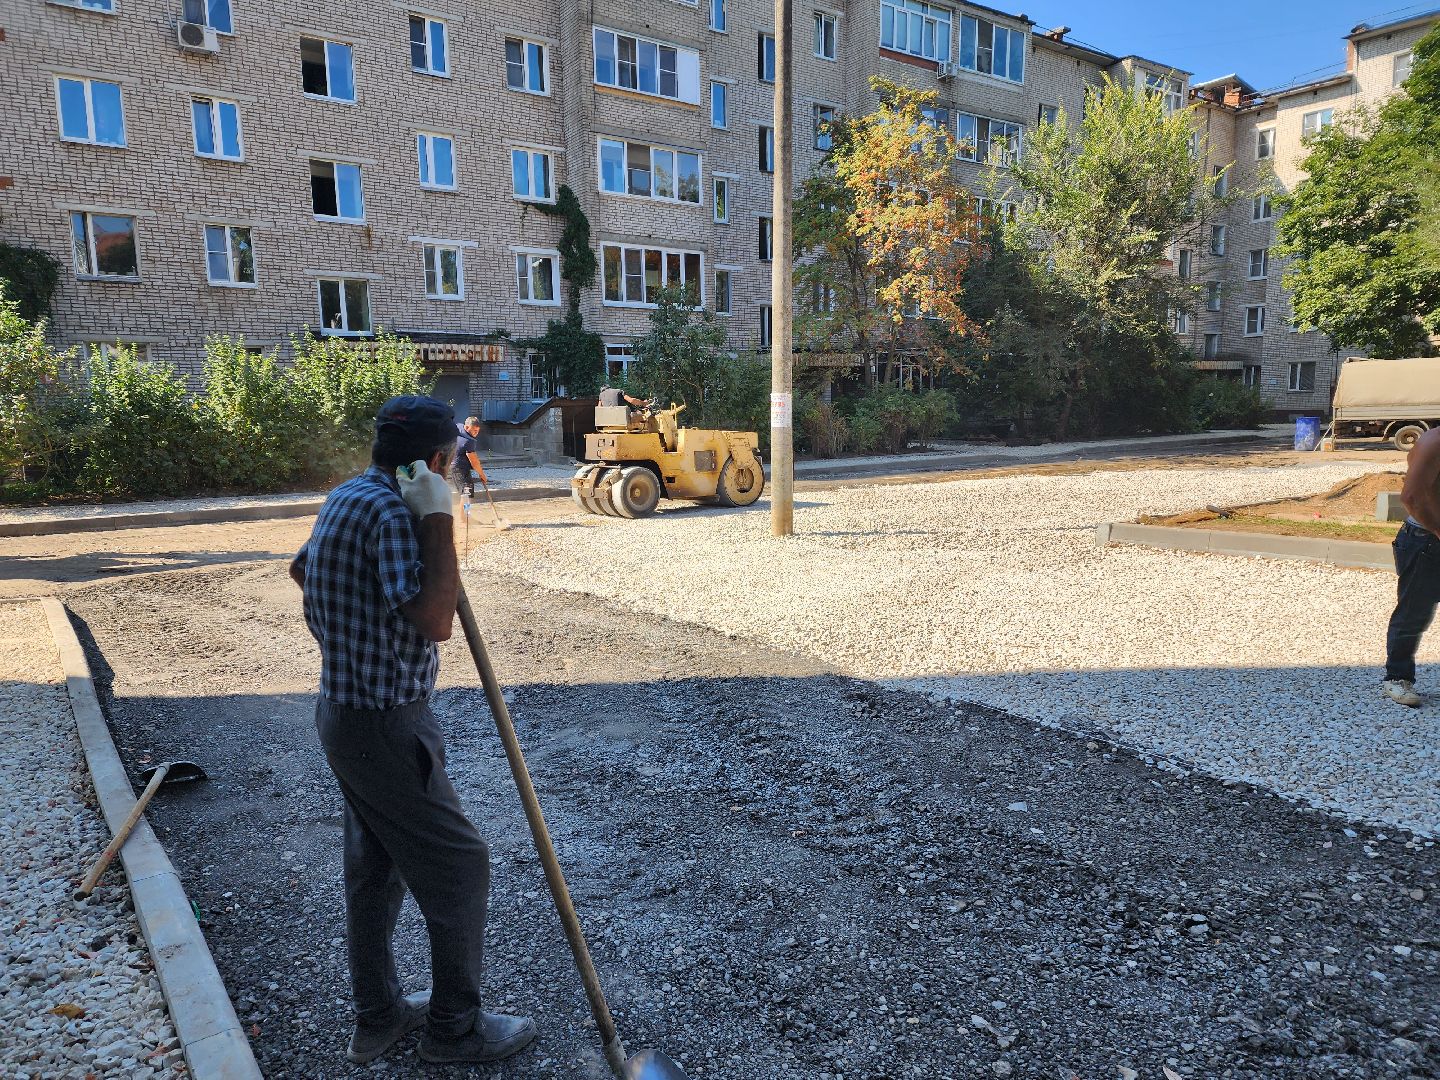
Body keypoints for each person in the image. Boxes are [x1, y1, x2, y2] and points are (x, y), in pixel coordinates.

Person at [288, 395, 535, 1066]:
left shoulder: (347, 496)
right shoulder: (402, 512)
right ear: (432, 462)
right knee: (461, 866)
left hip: (342, 712)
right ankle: (455, 1031)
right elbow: (434, 618)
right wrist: (439, 517)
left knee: (374, 869)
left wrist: (344, 637)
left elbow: (302, 568)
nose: (455, 470)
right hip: (386, 729)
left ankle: (379, 1016)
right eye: (451, 463)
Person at [1383, 425, 1440, 707]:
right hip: (1425, 540)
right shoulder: (1435, 442)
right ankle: (1397, 678)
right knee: (1414, 612)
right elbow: (1411, 498)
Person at [452, 415, 487, 497]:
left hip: (453, 465)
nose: (476, 433)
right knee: (467, 494)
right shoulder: (469, 441)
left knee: (464, 494)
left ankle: (463, 510)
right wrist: (482, 475)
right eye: (474, 430)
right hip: (460, 469)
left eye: (478, 431)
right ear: (467, 427)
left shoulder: (459, 426)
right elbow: (474, 462)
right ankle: (466, 510)